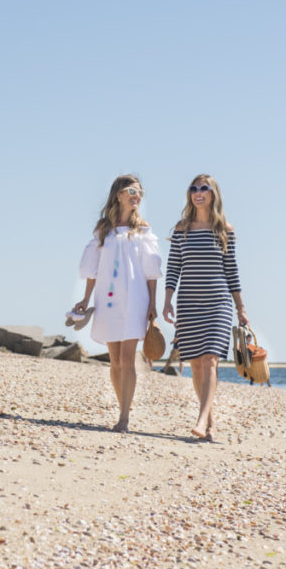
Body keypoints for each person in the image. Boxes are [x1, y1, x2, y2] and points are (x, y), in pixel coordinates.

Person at [72, 175, 162, 432]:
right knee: (115, 361)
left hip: (135, 299)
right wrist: (85, 299)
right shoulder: (104, 229)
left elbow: (151, 271)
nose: (137, 195)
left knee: (128, 358)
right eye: (132, 190)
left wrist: (153, 304)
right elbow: (93, 269)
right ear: (118, 194)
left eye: (140, 192)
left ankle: (124, 416)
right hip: (108, 299)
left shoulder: (143, 229)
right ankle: (122, 405)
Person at [162, 174, 248, 441]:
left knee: (210, 359)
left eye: (204, 189)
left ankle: (200, 420)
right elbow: (174, 266)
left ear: (214, 194)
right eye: (194, 188)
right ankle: (209, 424)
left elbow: (231, 270)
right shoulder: (181, 228)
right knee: (196, 364)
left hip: (218, 302)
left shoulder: (225, 229)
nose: (198, 193)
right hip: (188, 302)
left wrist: (241, 308)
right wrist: (166, 300)